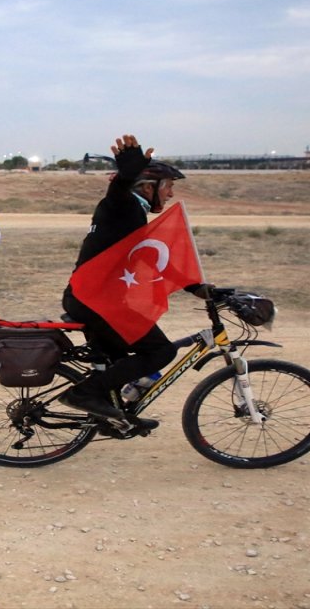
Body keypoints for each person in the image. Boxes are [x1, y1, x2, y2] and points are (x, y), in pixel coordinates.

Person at [60, 134, 212, 427]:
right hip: (94, 301)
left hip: (91, 298)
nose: (170, 195)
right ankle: (83, 394)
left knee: (118, 361)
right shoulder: (122, 206)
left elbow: (151, 260)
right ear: (146, 186)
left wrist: (198, 288)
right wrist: (126, 173)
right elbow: (116, 192)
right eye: (168, 187)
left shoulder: (132, 216)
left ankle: (112, 415)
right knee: (161, 350)